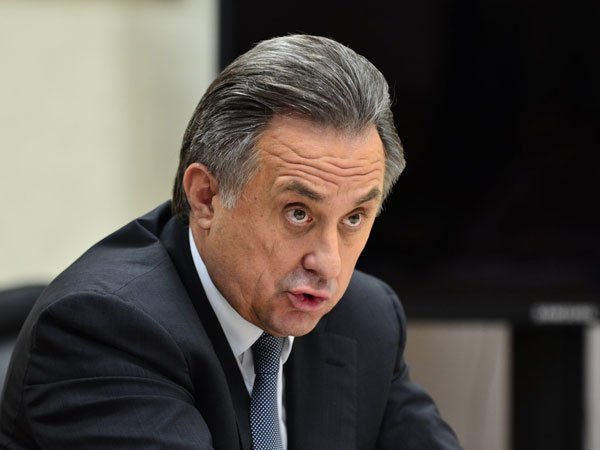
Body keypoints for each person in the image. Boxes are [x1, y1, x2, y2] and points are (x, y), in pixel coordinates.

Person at [0, 35, 461, 449]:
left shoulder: (365, 316)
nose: (328, 263)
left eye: (354, 218)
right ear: (207, 197)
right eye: (298, 213)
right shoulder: (105, 330)